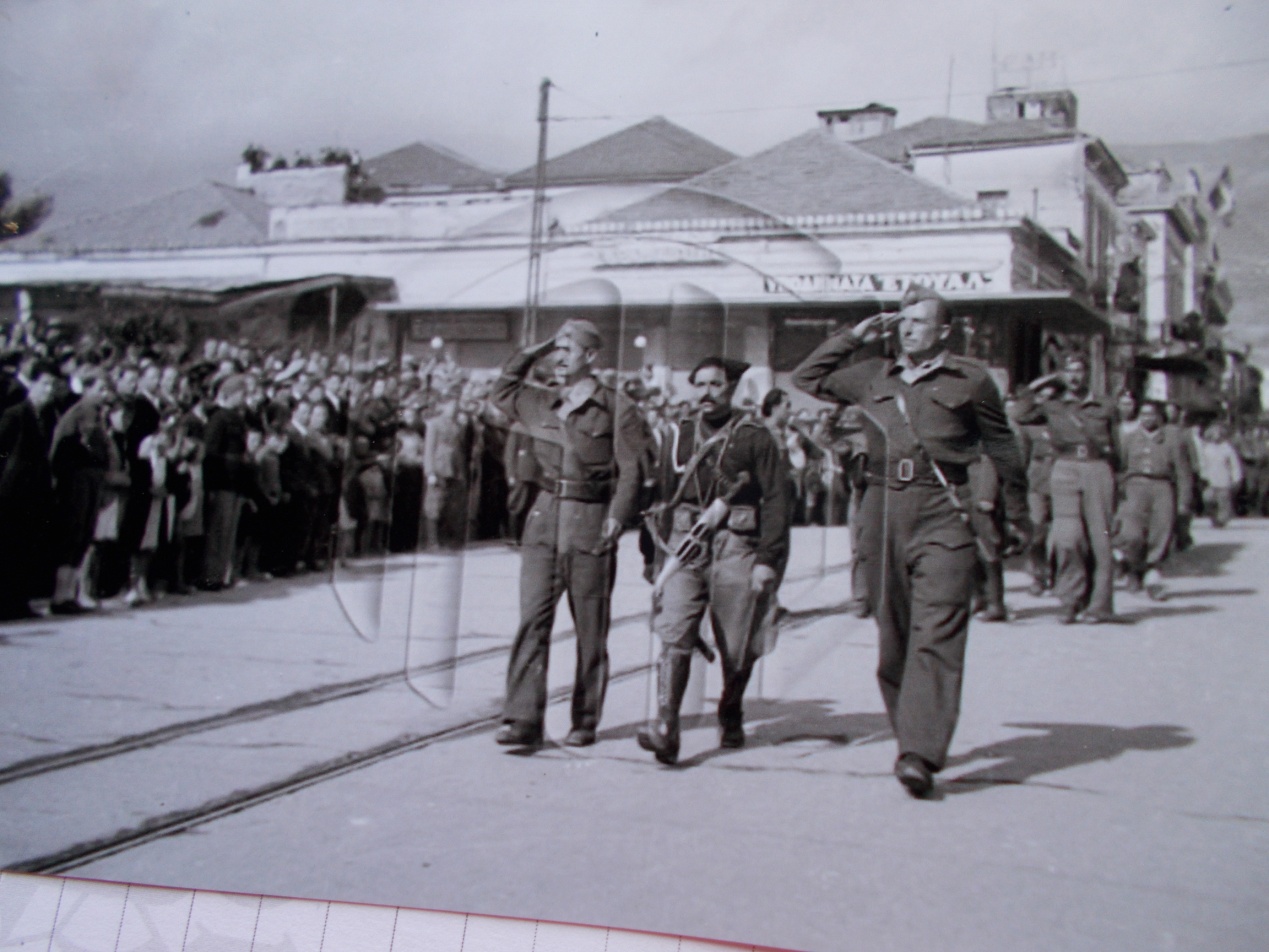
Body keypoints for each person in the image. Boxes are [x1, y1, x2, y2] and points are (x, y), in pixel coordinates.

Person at [793, 285, 1029, 797]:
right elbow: (805, 377)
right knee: (893, 634)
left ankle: (919, 751)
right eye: (902, 320)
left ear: (945, 330)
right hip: (881, 508)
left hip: (943, 509)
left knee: (937, 629)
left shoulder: (971, 379)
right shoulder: (872, 374)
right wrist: (854, 336)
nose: (908, 327)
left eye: (919, 321)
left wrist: (1016, 513)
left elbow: (1003, 447)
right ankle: (913, 734)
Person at [491, 319, 644, 749]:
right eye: (555, 351)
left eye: (568, 350)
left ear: (591, 357)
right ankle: (522, 719)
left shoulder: (617, 407)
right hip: (543, 516)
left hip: (590, 517)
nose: (559, 359)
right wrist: (533, 350)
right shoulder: (539, 400)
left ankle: (586, 718)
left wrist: (617, 515)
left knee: (590, 628)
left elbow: (632, 468)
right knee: (531, 621)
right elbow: (501, 390)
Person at [637, 357, 789, 765]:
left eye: (715, 384)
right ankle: (667, 726)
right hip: (684, 544)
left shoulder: (755, 436)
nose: (706, 392)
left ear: (732, 387)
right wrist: (653, 556)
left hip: (737, 544)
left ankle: (731, 707)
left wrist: (768, 560)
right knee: (674, 630)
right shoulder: (678, 435)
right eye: (699, 384)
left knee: (737, 641)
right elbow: (661, 497)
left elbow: (777, 500)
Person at [1013, 355, 1118, 624]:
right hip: (1064, 467)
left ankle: (1099, 605)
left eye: (1079, 370)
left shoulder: (1104, 404)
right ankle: (1070, 599)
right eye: (1068, 371)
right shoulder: (1052, 405)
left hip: (1096, 466)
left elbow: (1119, 447)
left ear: (1087, 373)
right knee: (1067, 538)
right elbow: (1019, 413)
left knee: (1100, 538)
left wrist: (1120, 481)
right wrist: (1043, 383)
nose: (1074, 376)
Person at [1113, 400, 1193, 600]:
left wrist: (1185, 501)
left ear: (1160, 416)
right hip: (1134, 487)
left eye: (1151, 414)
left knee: (1160, 532)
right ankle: (1133, 567)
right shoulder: (1129, 439)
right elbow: (1119, 468)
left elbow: (1184, 472)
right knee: (1131, 534)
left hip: (1162, 487)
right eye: (1143, 414)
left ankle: (1152, 575)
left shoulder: (1173, 438)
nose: (1147, 418)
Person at [1195, 422, 1244, 528]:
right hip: (1209, 480)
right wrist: (1202, 476)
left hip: (1224, 480)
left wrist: (1236, 478)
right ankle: (1213, 517)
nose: (1216, 436)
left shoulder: (1227, 448)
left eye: (1219, 433)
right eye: (1214, 433)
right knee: (1208, 499)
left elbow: (1235, 464)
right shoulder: (1206, 448)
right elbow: (1201, 462)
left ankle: (1221, 520)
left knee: (1223, 501)